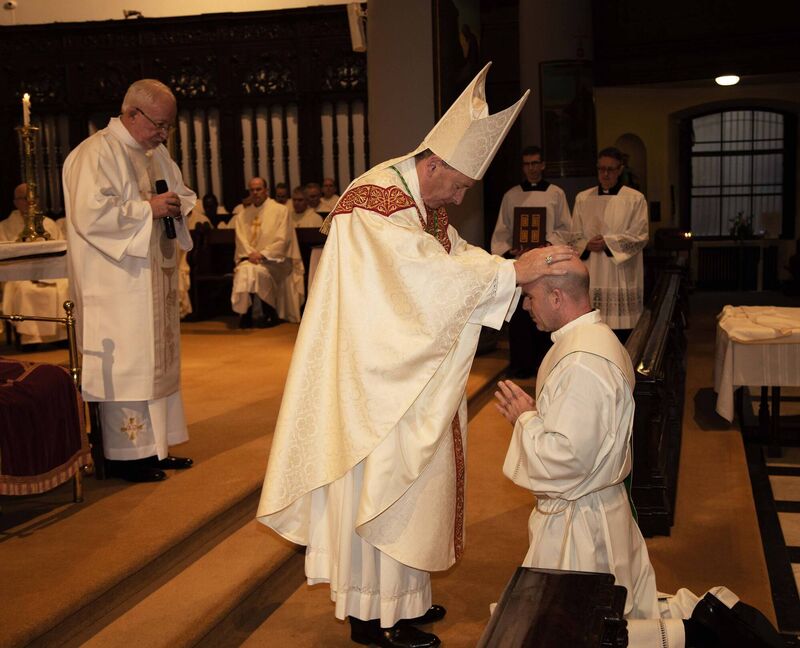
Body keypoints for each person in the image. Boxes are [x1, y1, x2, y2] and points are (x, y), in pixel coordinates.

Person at [257, 63, 576, 648]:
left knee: (416, 483)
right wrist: (510, 271)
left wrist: (507, 269)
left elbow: (453, 257)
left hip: (407, 373)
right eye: (456, 185)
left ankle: (404, 599)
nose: (458, 198)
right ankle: (371, 617)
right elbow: (418, 278)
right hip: (375, 383)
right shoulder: (374, 201)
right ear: (433, 163)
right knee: (386, 481)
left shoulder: (419, 199)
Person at [493, 258, 782, 647]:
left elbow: (568, 459)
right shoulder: (591, 340)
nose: (525, 306)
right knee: (599, 612)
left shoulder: (583, 362)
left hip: (583, 525)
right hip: (597, 507)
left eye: (529, 297)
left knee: (577, 626)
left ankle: (702, 635)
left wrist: (526, 419)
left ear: (556, 296)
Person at [62, 78, 196, 483]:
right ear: (132, 114)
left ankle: (156, 447)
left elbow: (183, 194)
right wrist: (147, 209)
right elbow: (91, 216)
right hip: (117, 284)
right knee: (129, 365)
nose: (163, 133)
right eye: (159, 124)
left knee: (156, 363)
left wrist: (176, 204)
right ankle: (125, 456)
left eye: (168, 126)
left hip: (152, 280)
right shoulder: (94, 153)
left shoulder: (156, 155)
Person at [490, 145, 572, 378]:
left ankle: (546, 364)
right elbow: (502, 231)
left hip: (547, 263)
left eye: (536, 163)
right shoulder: (511, 195)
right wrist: (510, 248)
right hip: (522, 262)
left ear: (543, 165)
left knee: (547, 312)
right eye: (527, 164)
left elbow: (566, 228)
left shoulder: (556, 193)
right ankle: (522, 364)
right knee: (521, 317)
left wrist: (546, 242)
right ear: (523, 167)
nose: (532, 168)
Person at [571, 146, 649, 342]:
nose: (605, 174)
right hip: (592, 270)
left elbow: (640, 236)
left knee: (621, 333)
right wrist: (586, 244)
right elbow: (573, 235)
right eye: (601, 169)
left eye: (611, 169)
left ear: (620, 169)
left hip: (620, 273)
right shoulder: (583, 198)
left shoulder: (635, 199)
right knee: (593, 331)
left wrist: (608, 243)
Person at [0, 183, 69, 345]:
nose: (30, 202)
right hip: (18, 276)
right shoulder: (4, 227)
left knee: (65, 285)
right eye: (24, 198)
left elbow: (59, 249)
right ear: (16, 202)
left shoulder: (49, 224)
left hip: (49, 272)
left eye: (33, 198)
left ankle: (61, 337)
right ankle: (30, 338)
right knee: (25, 290)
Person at [231, 177, 304, 328]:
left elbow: (283, 239)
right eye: (252, 190)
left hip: (276, 261)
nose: (255, 193)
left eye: (258, 189)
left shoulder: (280, 210)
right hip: (251, 260)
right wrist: (251, 254)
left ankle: (264, 311)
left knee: (253, 271)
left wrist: (262, 254)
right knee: (247, 271)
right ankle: (249, 313)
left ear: (266, 190)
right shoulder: (242, 215)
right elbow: (241, 239)